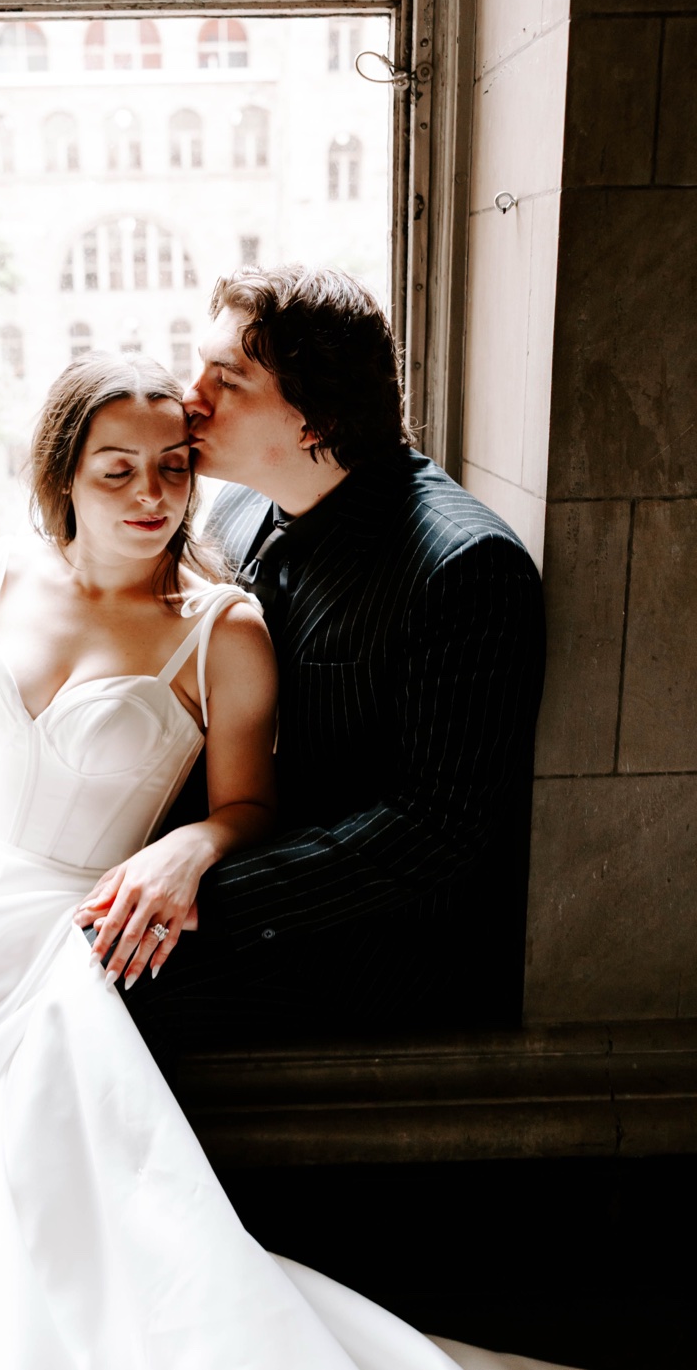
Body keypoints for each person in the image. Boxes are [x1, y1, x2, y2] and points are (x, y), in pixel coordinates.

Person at [0, 352, 558, 1368]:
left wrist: (187, 844)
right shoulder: (2, 577)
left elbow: (248, 801)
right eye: (116, 469)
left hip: (61, 925)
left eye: (171, 467)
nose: (149, 495)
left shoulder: (218, 627)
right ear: (61, 476)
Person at [117, 266, 545, 1055]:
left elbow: (435, 826)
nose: (190, 397)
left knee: (91, 1001)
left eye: (229, 380)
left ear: (315, 420)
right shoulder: (243, 502)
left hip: (368, 941)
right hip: (239, 854)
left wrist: (203, 893)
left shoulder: (466, 567)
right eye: (199, 364)